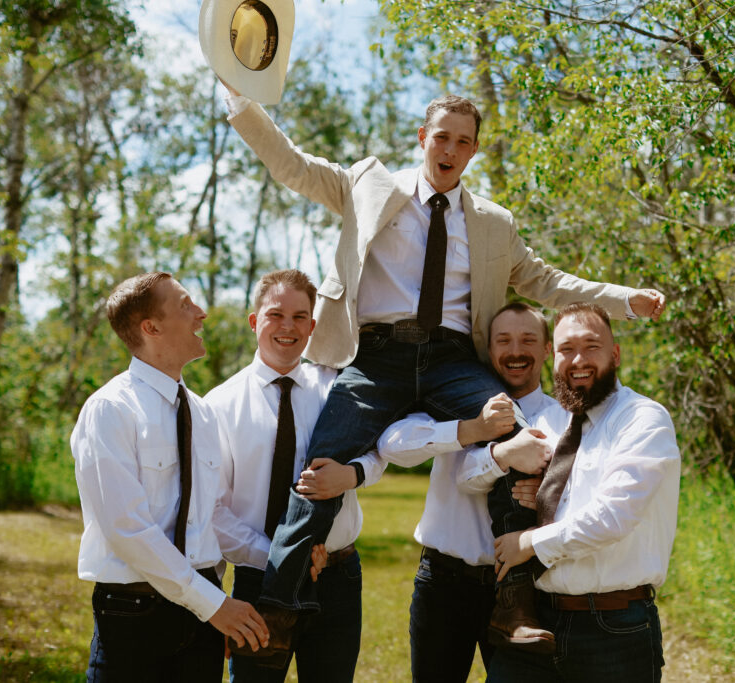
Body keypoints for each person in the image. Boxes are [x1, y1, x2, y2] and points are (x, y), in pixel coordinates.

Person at [224, 82, 667, 654]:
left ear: (474, 150)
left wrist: (622, 298)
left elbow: (546, 281)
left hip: (452, 361)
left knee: (516, 435)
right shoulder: (368, 185)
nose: (450, 149)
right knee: (323, 460)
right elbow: (292, 166)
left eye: (463, 141)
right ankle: (280, 610)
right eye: (441, 137)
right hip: (376, 356)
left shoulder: (492, 223)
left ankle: (514, 603)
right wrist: (240, 102)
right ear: (423, 138)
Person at [70, 272, 271, 681]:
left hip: (203, 621)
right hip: (135, 618)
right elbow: (127, 529)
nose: (202, 313)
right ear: (151, 327)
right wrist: (212, 604)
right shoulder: (110, 409)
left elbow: (212, 515)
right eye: (185, 304)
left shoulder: (203, 412)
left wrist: (279, 559)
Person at [203, 269, 386, 680]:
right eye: (275, 315)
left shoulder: (338, 388)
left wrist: (354, 474)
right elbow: (212, 510)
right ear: (254, 322)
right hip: (260, 583)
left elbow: (379, 452)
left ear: (313, 326)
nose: (288, 327)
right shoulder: (219, 405)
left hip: (336, 578)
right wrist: (282, 558)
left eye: (300, 317)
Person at [488, 302, 681, 682]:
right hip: (536, 623)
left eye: (591, 346)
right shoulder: (550, 423)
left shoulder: (643, 419)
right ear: (552, 356)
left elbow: (612, 516)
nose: (578, 360)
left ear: (615, 353)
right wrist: (541, 497)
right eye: (566, 349)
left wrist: (528, 542)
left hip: (613, 628)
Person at [377, 302, 559, 681]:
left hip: (525, 591)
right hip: (444, 584)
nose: (515, 351)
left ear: (548, 349)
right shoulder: (449, 401)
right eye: (503, 340)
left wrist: (545, 494)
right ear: (487, 349)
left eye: (528, 339)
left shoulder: (564, 420)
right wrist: (473, 432)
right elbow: (392, 445)